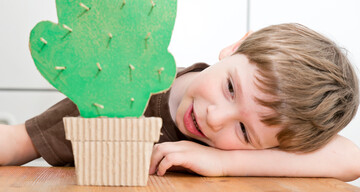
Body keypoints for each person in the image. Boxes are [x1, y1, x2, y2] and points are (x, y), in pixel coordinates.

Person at [0, 23, 359, 182]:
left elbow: (350, 159)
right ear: (234, 47)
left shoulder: (226, 152)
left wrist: (222, 163)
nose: (216, 118)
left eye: (244, 131)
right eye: (231, 88)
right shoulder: (119, 97)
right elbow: (15, 142)